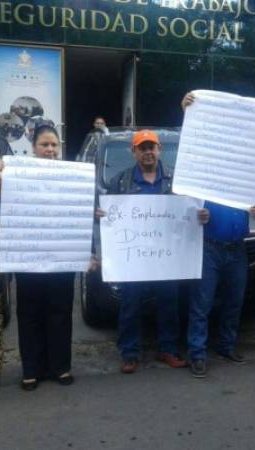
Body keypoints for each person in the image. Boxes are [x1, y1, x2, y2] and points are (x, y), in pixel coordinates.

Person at [95, 129, 210, 374]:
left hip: (166, 258)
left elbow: (189, 213)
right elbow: (112, 217)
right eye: (142, 147)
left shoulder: (176, 181)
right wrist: (103, 215)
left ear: (159, 150)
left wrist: (200, 216)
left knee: (169, 303)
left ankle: (168, 348)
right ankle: (130, 353)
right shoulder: (121, 181)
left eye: (152, 147)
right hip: (133, 258)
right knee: (130, 305)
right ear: (133, 151)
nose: (148, 152)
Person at [180, 92, 255, 378]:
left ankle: (226, 347)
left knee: (234, 301)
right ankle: (197, 353)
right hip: (209, 248)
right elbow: (187, 207)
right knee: (202, 304)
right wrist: (198, 215)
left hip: (237, 249)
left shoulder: (244, 177)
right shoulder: (203, 175)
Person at [0, 125, 83, 391]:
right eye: (45, 145)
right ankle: (31, 369)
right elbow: (1, 212)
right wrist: (1, 182)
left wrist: (86, 249)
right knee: (30, 314)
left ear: (60, 148)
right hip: (28, 258)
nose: (50, 150)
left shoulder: (72, 177)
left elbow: (80, 214)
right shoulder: (18, 175)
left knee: (61, 313)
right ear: (34, 147)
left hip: (62, 259)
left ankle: (60, 367)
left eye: (54, 145)